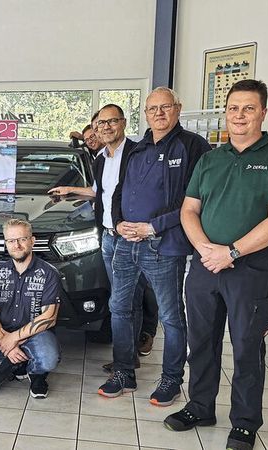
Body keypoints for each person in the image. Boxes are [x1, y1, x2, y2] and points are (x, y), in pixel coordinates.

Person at [164, 80, 268, 450]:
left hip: (250, 272)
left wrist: (232, 253)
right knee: (200, 342)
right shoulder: (210, 160)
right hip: (204, 268)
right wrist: (205, 249)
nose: (239, 115)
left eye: (248, 108)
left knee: (246, 347)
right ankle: (200, 407)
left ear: (263, 113)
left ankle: (244, 422)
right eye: (233, 108)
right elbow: (189, 210)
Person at [102, 87, 210, 403]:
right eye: (152, 109)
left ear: (178, 108)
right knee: (119, 307)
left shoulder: (193, 146)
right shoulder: (137, 148)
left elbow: (195, 199)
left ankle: (171, 380)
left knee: (170, 315)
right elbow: (119, 191)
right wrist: (118, 222)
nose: (159, 113)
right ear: (146, 114)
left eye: (165, 107)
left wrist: (153, 226)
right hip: (126, 243)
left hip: (164, 245)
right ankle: (124, 372)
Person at [49, 104, 159, 367]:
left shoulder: (137, 154)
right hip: (108, 237)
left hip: (130, 237)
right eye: (101, 123)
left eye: (112, 121)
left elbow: (149, 193)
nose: (106, 127)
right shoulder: (100, 159)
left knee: (128, 299)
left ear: (123, 123)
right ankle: (127, 357)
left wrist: (143, 226)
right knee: (122, 300)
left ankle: (128, 357)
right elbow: (100, 191)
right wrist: (69, 189)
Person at [0, 219, 61, 399]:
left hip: (37, 335)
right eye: (11, 241)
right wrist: (8, 346)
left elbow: (49, 317)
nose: (16, 245)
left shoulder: (49, 273)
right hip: (3, 333)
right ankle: (16, 364)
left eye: (22, 239)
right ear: (5, 243)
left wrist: (14, 338)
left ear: (32, 241)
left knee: (48, 357)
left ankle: (36, 373)